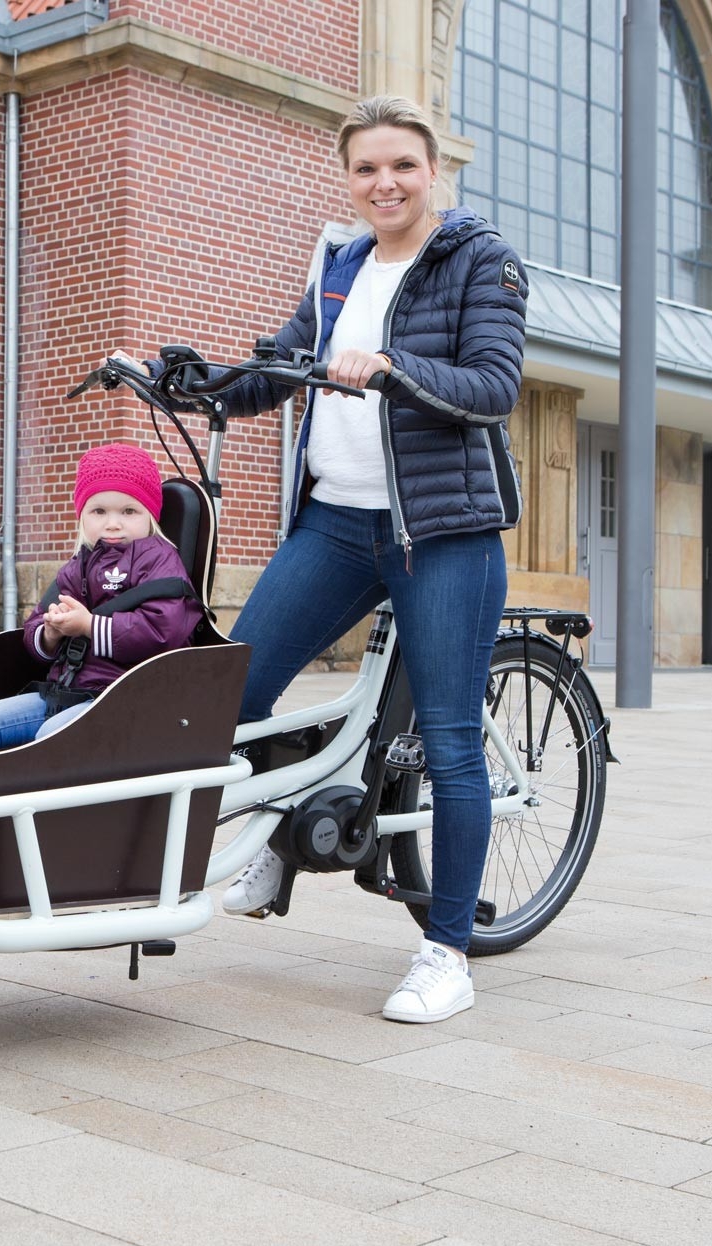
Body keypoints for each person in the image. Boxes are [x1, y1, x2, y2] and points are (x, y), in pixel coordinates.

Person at [188, 96, 526, 1023]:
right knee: (235, 690)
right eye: (367, 168)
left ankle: (446, 951)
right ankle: (270, 838)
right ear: (349, 177)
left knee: (451, 741)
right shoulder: (341, 263)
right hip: (336, 523)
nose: (385, 183)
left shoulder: (478, 261)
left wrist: (393, 369)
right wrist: (195, 383)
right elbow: (283, 366)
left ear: (434, 172)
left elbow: (495, 387)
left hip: (441, 533)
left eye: (403, 167)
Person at [0, 443, 203, 756]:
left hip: (128, 698)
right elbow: (34, 624)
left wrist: (88, 625)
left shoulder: (159, 559)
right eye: (99, 511)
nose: (113, 523)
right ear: (82, 516)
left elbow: (163, 631)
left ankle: (38, 805)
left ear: (150, 515)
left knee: (50, 736)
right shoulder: (78, 565)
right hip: (69, 691)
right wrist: (50, 633)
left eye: (129, 511)